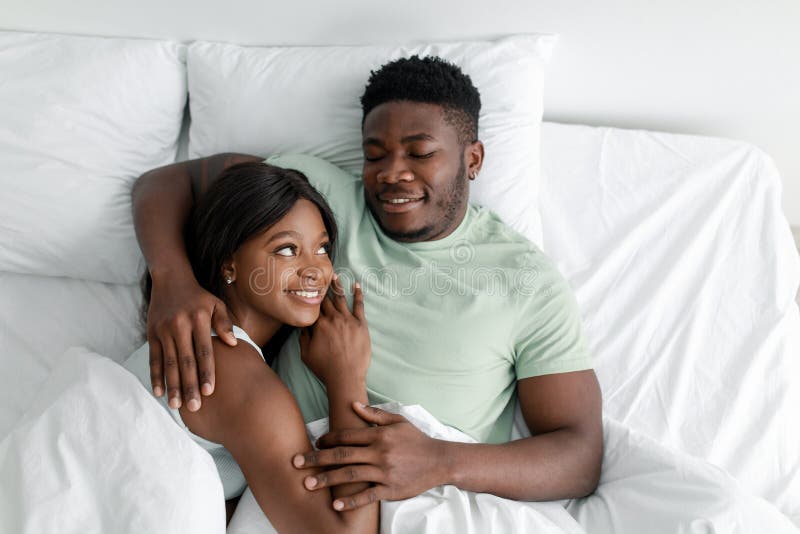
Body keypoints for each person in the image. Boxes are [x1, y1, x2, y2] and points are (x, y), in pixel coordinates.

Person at [132, 56, 603, 514]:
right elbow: (169, 182)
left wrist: (442, 460)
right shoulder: (315, 194)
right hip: (282, 473)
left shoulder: (524, 280)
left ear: (473, 159)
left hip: (425, 499)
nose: (392, 173)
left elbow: (579, 455)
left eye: (420, 153)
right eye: (374, 155)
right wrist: (172, 279)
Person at [124, 162, 379, 532]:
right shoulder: (233, 371)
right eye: (288, 250)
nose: (316, 270)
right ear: (229, 263)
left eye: (322, 248)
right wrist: (347, 377)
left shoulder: (222, 350)